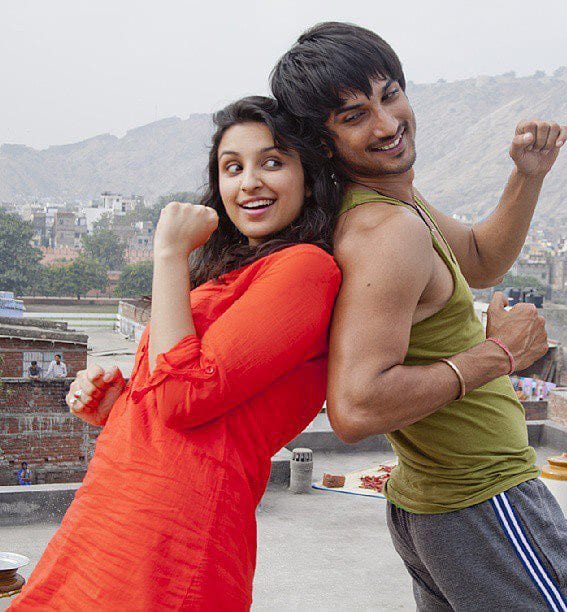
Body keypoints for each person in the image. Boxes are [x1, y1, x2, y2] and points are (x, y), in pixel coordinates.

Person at [271, 22, 567, 611]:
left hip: (444, 507)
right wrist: (499, 354)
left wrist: (527, 175)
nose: (386, 123)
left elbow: (478, 259)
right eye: (353, 116)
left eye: (389, 94)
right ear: (321, 142)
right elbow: (355, 407)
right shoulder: (386, 231)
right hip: (482, 500)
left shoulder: (396, 203)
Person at [10, 96, 341, 611]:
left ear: (310, 174)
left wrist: (168, 254)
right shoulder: (234, 272)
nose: (248, 181)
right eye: (233, 167)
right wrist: (120, 403)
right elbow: (178, 394)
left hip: (174, 538)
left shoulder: (305, 269)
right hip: (115, 511)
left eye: (272, 162)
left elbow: (185, 397)